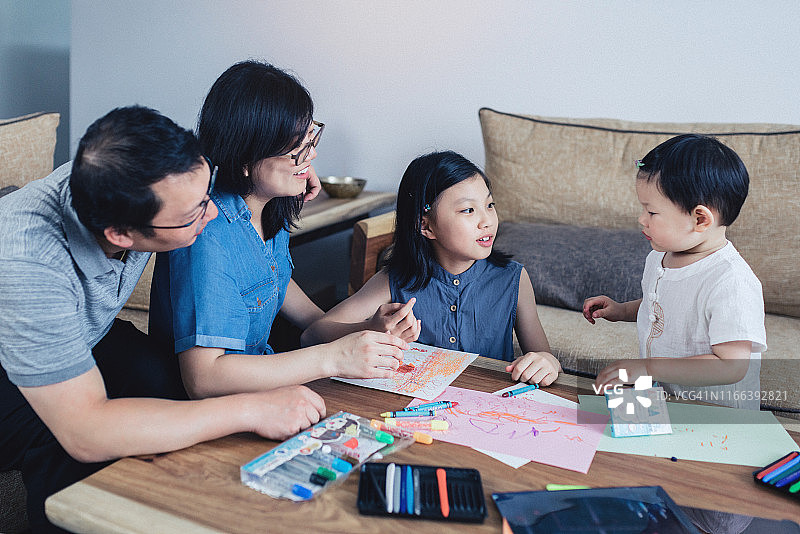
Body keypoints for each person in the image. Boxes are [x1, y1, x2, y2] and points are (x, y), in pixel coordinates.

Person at [0, 106, 327, 533]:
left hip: (84, 330)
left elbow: (239, 145)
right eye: (192, 214)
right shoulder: (30, 265)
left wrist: (296, 173)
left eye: (207, 192)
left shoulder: (140, 171)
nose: (210, 215)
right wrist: (250, 409)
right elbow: (86, 430)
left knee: (160, 373)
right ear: (120, 234)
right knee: (66, 442)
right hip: (10, 363)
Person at [149, 61, 407, 399]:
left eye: (309, 137)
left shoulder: (269, 209)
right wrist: (333, 357)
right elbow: (204, 379)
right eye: (296, 148)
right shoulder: (209, 235)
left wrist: (366, 330)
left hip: (264, 391)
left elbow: (310, 319)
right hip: (210, 411)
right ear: (245, 157)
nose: (311, 155)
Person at [303, 151, 562, 386]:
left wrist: (547, 363)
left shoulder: (513, 279)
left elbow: (545, 358)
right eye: (469, 210)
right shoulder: (394, 281)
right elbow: (313, 335)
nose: (487, 220)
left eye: (490, 205)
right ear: (425, 226)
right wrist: (370, 328)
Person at [583, 134, 766, 409]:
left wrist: (648, 368)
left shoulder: (731, 281)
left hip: (716, 415)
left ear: (700, 219)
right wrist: (621, 311)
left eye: (652, 212)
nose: (641, 219)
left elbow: (731, 366)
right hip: (667, 399)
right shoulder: (659, 257)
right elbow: (666, 306)